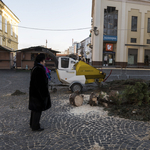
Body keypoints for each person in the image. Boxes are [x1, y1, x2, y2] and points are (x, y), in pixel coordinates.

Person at [29, 53, 51, 131]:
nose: (45, 62)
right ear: (41, 61)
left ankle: (32, 124)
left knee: (34, 109)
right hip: (38, 94)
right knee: (37, 110)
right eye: (44, 60)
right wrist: (44, 95)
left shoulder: (35, 67)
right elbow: (41, 84)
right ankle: (35, 126)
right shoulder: (39, 69)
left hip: (34, 92)